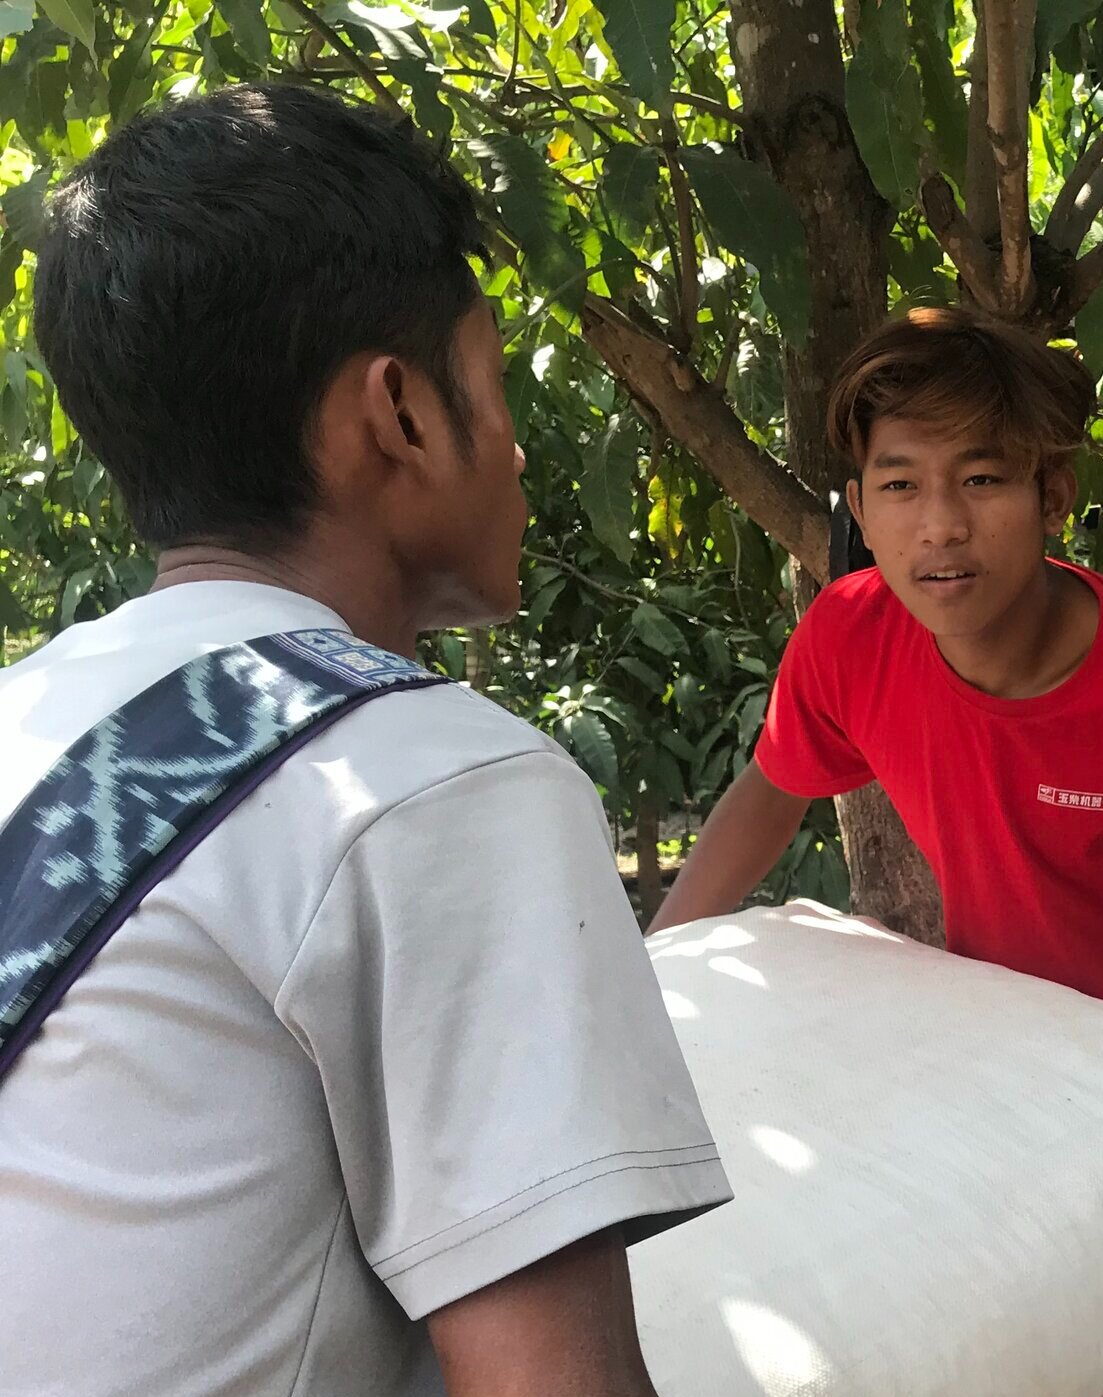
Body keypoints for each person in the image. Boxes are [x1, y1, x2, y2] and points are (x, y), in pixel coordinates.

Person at [0, 85, 730, 1395]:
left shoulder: (32, 716)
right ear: (396, 413)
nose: (517, 453)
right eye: (491, 388)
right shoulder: (436, 785)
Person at [650, 306, 1103, 1397]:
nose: (940, 525)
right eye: (900, 484)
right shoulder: (850, 637)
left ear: (1052, 494)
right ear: (859, 508)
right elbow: (771, 790)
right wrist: (655, 972)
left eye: (981, 479)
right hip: (1020, 1073)